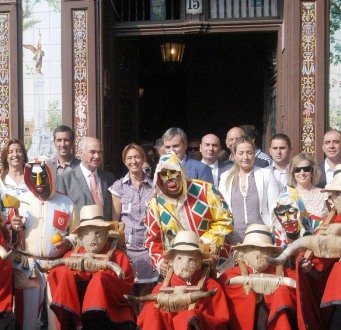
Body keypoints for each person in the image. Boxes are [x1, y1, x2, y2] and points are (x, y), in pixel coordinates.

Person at [9, 156, 79, 330]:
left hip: (56, 267)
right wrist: (13, 227)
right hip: (27, 267)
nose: (38, 182)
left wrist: (68, 242)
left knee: (57, 318)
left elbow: (77, 234)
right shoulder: (21, 202)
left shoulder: (66, 203)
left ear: (52, 176)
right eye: (33, 177)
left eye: (43, 177)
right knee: (26, 319)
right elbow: (8, 235)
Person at [47, 204, 135, 329]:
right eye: (87, 233)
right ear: (80, 237)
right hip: (77, 314)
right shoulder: (70, 256)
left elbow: (126, 283)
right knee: (62, 272)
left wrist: (102, 279)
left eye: (98, 233)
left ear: (106, 234)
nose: (93, 238)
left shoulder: (119, 257)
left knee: (100, 278)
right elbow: (55, 277)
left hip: (110, 315)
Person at [144, 153, 233, 275]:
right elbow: (152, 240)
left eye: (173, 172)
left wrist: (202, 243)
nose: (170, 178)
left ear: (181, 172)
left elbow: (226, 220)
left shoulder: (205, 191)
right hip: (179, 268)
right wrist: (160, 261)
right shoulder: (156, 204)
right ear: (159, 177)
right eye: (164, 174)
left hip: (214, 262)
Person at [136, 231, 229, 330]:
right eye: (179, 258)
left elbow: (220, 322)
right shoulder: (161, 288)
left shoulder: (212, 287)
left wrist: (197, 317)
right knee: (152, 310)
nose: (184, 265)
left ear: (199, 263)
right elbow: (145, 320)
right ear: (172, 261)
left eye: (191, 259)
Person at [219, 224, 297, 330]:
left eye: (263, 248)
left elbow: (302, 287)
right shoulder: (229, 276)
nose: (258, 254)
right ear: (244, 251)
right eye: (252, 248)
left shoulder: (286, 273)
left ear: (271, 252)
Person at [109, 144, 158, 300]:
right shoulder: (118, 187)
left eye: (137, 157)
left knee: (147, 295)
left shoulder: (155, 188)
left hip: (148, 249)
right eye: (129, 158)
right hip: (127, 249)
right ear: (125, 161)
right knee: (127, 293)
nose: (134, 161)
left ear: (143, 159)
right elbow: (115, 221)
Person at [219, 137, 280, 245]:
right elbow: (222, 210)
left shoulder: (266, 174)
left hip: (261, 238)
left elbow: (275, 208)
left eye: (249, 153)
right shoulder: (225, 177)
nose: (245, 157)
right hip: (233, 239)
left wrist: (273, 233)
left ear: (254, 154)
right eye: (241, 153)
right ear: (234, 155)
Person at [57, 137, 114, 220]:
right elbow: (61, 210)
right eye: (92, 152)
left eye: (99, 152)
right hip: (79, 230)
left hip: (105, 230)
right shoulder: (65, 179)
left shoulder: (108, 178)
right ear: (80, 152)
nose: (97, 156)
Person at [287, 153, 329, 226]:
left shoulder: (324, 195)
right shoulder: (287, 196)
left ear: (312, 171)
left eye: (306, 169)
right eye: (297, 170)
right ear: (293, 173)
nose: (302, 173)